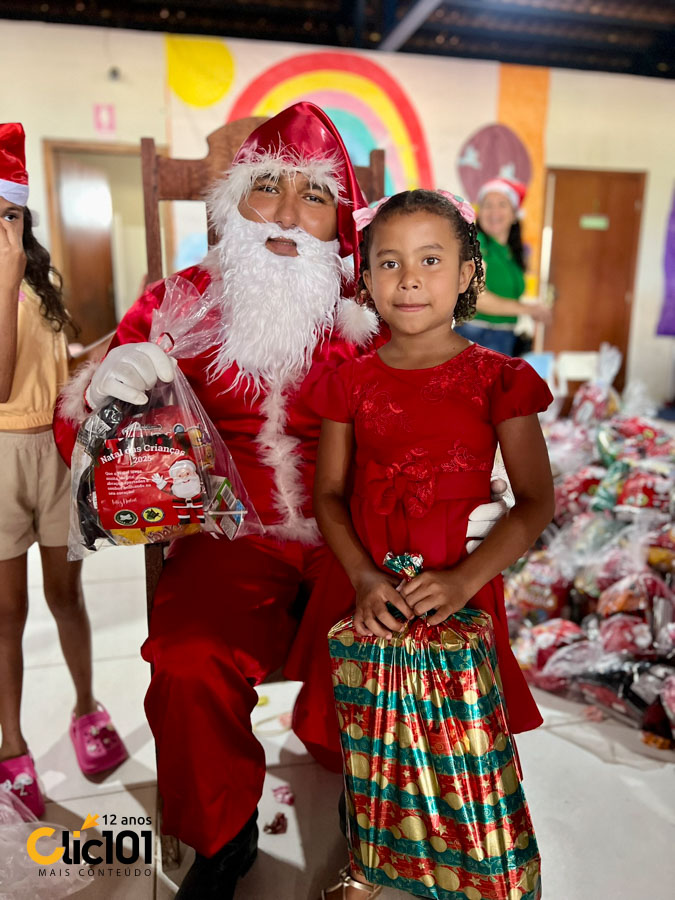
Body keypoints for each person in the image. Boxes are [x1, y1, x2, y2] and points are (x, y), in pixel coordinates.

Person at [54, 105, 509, 898]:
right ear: (234, 200)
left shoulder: (372, 313)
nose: (289, 215)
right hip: (228, 536)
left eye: (314, 195)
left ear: (341, 222)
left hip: (358, 537)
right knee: (188, 659)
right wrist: (107, 393)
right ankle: (223, 834)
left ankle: (370, 801)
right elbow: (85, 441)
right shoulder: (179, 303)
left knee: (409, 623)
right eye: (267, 187)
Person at [311, 189, 555, 898]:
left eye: (430, 260)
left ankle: (467, 861)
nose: (409, 279)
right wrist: (363, 577)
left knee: (460, 733)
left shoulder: (499, 379)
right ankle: (366, 859)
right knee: (367, 725)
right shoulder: (348, 383)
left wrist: (463, 581)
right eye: (389, 263)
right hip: (368, 587)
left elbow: (536, 501)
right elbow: (328, 495)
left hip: (460, 587)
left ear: (468, 273)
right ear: (365, 278)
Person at [0, 123, 127, 818]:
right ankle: (12, 745)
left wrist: (122, 338)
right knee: (6, 613)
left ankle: (85, 707)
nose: (2, 229)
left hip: (53, 454)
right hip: (0, 461)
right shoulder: (7, 280)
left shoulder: (36, 284)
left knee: (66, 596)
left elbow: (58, 364)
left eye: (10, 215)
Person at [455, 177, 551, 356]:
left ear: (514, 215)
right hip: (477, 334)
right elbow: (477, 298)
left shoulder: (512, 253)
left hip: (504, 335)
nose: (494, 211)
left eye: (502, 204)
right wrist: (528, 309)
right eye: (488, 205)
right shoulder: (476, 245)